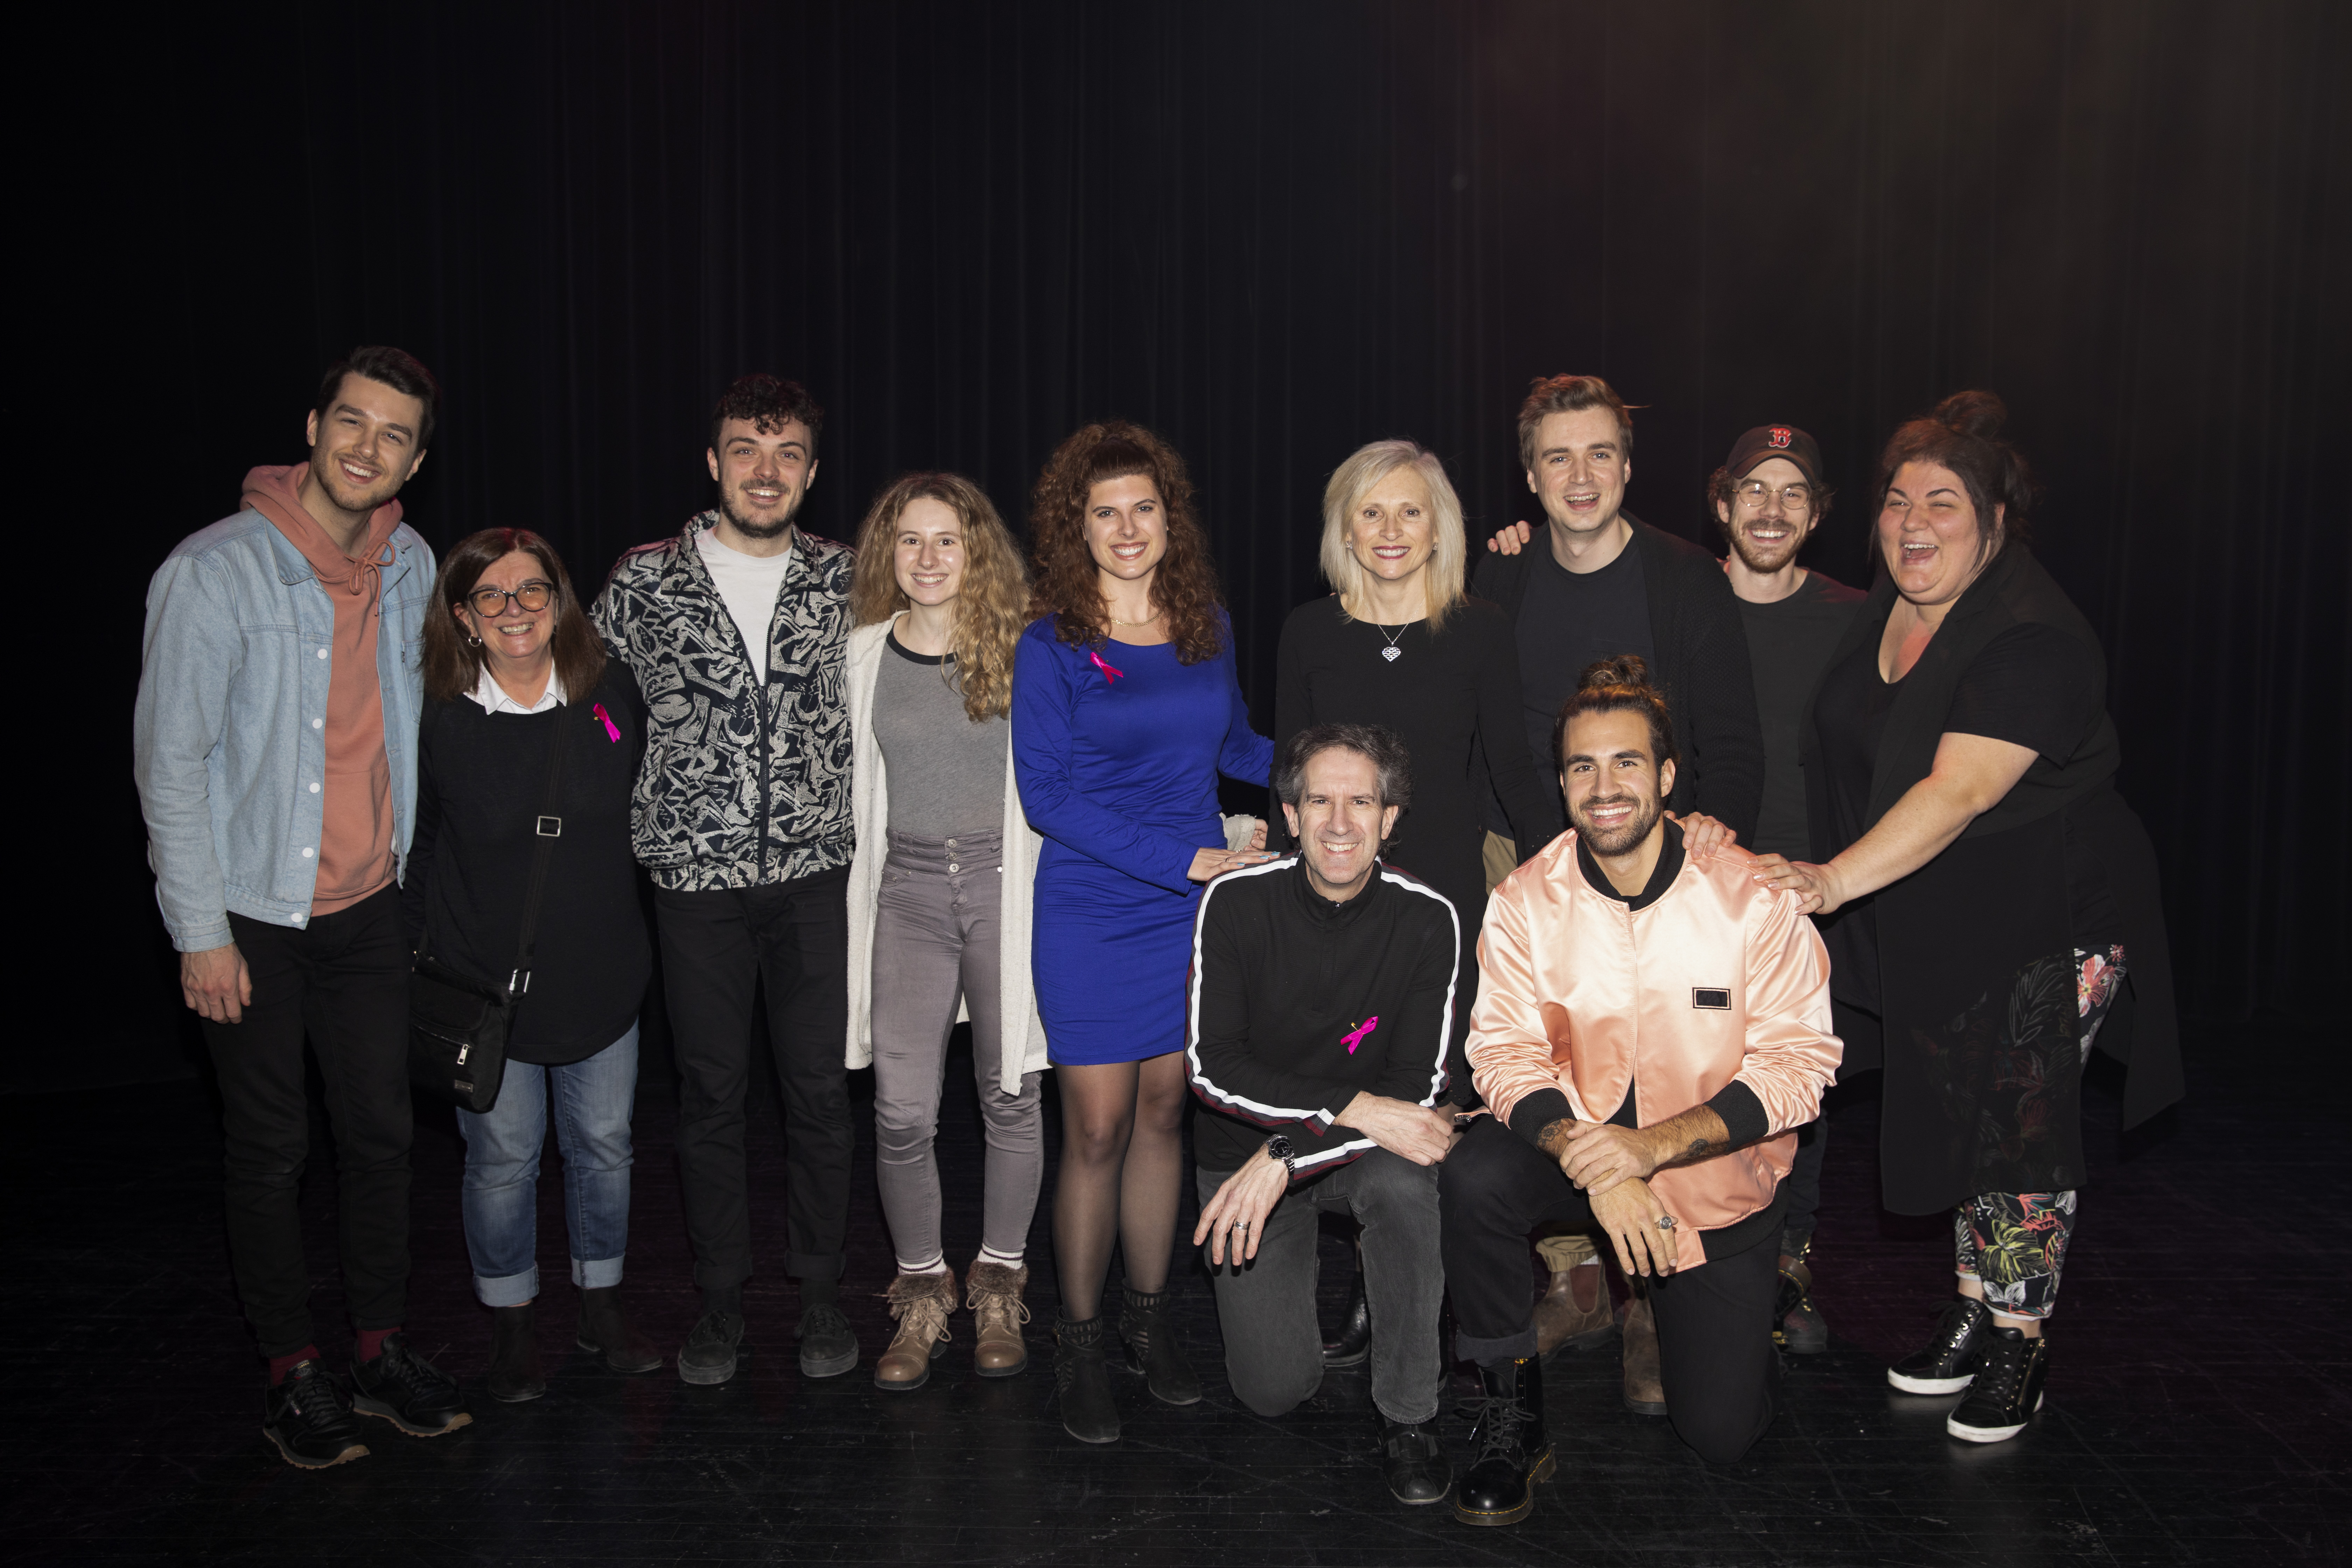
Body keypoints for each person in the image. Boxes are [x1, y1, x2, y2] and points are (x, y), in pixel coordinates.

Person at [1754, 391, 2180, 1443]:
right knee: (1963, 1110)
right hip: (1952, 909)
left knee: (2017, 1125)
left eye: (1944, 503)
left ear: (1997, 519)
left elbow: (1957, 791)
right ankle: (1975, 1307)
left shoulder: (2035, 639)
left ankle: (2020, 1342)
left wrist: (1831, 883)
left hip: (2053, 909)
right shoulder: (1893, 607)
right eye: (1899, 501)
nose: (1913, 524)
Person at [134, 346, 470, 1468]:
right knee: (271, 1151)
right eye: (352, 423)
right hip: (252, 917)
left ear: (415, 460)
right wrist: (200, 936)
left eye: (393, 437)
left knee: (381, 1139)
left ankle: (377, 1350)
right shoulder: (214, 572)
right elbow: (170, 767)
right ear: (314, 425)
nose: (367, 448)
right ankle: (294, 1371)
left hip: (370, 912)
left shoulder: (412, 563)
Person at [1440, 656, 1839, 1525]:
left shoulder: (1751, 899)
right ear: (1561, 784)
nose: (1604, 784)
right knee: (1474, 1175)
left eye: (1626, 761)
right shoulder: (1523, 901)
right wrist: (1604, 1165)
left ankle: (1731, 1302)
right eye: (1582, 766)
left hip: (1712, 1177)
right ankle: (1513, 1418)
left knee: (1721, 1434)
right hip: (1578, 1153)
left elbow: (1801, 1064)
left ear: (1666, 776)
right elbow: (1501, 1053)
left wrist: (1649, 1151)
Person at [1476, 374, 1767, 1402]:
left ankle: (1653, 1295)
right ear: (1530, 476)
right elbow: (1495, 734)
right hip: (1535, 857)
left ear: (1630, 468)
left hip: (1659, 862)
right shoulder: (1500, 578)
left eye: (1600, 453)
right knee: (1553, 1066)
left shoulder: (1687, 580)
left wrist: (1687, 856)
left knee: (1657, 1072)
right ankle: (1582, 1276)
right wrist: (1549, 850)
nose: (1581, 475)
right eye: (1558, 457)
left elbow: (1731, 739)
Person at [592, 374, 861, 1386]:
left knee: (819, 1098)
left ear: (811, 472)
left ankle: (825, 1295)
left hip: (815, 879)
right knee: (709, 1099)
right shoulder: (644, 579)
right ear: (713, 464)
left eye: (787, 452)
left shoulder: (851, 578)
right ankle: (719, 1304)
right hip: (693, 886)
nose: (766, 469)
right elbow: (592, 709)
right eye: (746, 450)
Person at [1011, 419, 1276, 1444]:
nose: (1127, 528)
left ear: (1172, 518)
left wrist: (1322, 759)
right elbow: (1049, 799)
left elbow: (1237, 742)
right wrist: (1192, 858)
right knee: (1097, 1129)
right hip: (1094, 907)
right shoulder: (1054, 642)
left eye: (1144, 508)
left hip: (1190, 913)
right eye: (1105, 513)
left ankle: (1149, 1326)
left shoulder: (1204, 621)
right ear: (1077, 528)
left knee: (1168, 1115)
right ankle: (1077, 1345)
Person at [1272, 439, 1558, 1367]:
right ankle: (1370, 1287)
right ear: (1344, 528)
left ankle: (1434, 1299)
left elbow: (1513, 766)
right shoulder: (1307, 632)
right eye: (1371, 511)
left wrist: (1573, 879)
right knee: (1364, 1098)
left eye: (1410, 512)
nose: (1391, 531)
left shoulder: (1478, 629)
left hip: (1447, 908)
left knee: (1442, 1109)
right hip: (1341, 908)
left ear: (1440, 528)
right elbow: (1293, 780)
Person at [404, 528, 661, 1404]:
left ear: (560, 601)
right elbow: (419, 844)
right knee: (502, 1161)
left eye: (532, 591)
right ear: (465, 617)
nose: (515, 610)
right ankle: (512, 1323)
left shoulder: (611, 693)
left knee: (605, 1149)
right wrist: (414, 960)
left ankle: (601, 1309)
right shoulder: (437, 715)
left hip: (602, 976)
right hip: (486, 988)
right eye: (492, 596)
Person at [1187, 724, 1460, 1506]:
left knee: (1407, 1182)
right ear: (1291, 814)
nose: (1341, 822)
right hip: (1244, 1153)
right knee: (1274, 1390)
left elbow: (1412, 1089)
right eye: (1320, 801)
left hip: (1326, 1156)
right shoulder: (1234, 901)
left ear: (1392, 816)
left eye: (1361, 802)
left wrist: (1288, 1155)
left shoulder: (1426, 917)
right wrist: (1349, 1104)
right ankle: (1319, 1297)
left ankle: (1411, 1412)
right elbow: (1214, 1067)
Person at [843, 474, 1048, 1391]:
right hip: (909, 898)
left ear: (978, 553)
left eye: (948, 541)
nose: (928, 559)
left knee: (1011, 1097)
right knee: (900, 1115)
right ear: (889, 554)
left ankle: (1000, 1279)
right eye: (910, 541)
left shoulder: (1027, 649)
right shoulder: (860, 657)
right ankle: (922, 1291)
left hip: (1007, 892)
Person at [1710, 423, 1866, 1354]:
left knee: (1801, 1088)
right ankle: (1694, 1263)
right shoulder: (1681, 598)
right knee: (1693, 1079)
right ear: (1721, 502)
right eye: (1753, 489)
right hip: (1701, 883)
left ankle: (1787, 1264)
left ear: (1818, 514)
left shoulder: (1860, 617)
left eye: (1793, 493)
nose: (1771, 508)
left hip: (1815, 887)